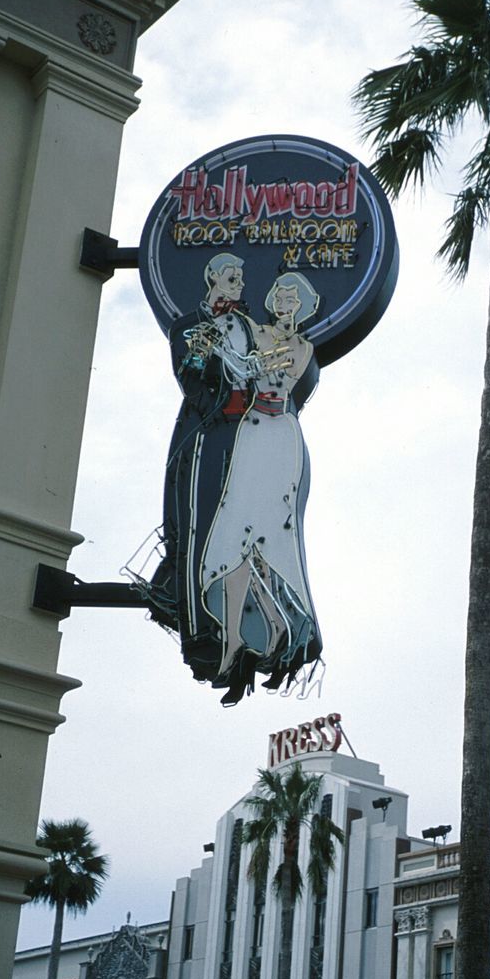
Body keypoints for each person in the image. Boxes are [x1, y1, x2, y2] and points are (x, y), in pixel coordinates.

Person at [200, 270, 322, 703]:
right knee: (237, 531)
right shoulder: (255, 330)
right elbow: (232, 343)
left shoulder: (304, 347)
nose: (286, 302)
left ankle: (271, 630)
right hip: (252, 428)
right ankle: (236, 637)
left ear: (304, 305)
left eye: (294, 297)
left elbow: (282, 374)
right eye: (281, 295)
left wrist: (252, 360)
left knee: (269, 537)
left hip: (281, 434)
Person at [143, 253, 257, 683]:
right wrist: (211, 349)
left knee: (238, 532)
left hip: (243, 437)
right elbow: (191, 380)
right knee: (198, 530)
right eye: (233, 276)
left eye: (242, 276)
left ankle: (229, 626)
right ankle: (197, 629)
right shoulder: (188, 326)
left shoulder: (246, 326)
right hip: (205, 434)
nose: (240, 283)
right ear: (212, 279)